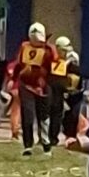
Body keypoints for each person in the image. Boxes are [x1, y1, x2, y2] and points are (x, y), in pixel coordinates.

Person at [14, 21, 56, 157]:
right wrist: (13, 80)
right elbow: (18, 64)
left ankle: (46, 143)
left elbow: (53, 64)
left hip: (43, 86)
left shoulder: (48, 50)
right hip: (26, 85)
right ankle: (28, 145)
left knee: (44, 116)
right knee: (27, 115)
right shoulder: (24, 47)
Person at [48, 36, 83, 146]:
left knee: (72, 114)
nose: (65, 52)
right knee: (54, 112)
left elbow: (76, 74)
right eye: (63, 50)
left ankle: (68, 136)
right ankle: (51, 137)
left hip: (72, 90)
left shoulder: (72, 57)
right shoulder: (52, 57)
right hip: (56, 89)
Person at [0, 57, 21, 141]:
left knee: (18, 111)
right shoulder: (13, 65)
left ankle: (16, 131)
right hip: (16, 89)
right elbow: (9, 77)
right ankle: (15, 132)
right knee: (16, 111)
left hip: (24, 89)